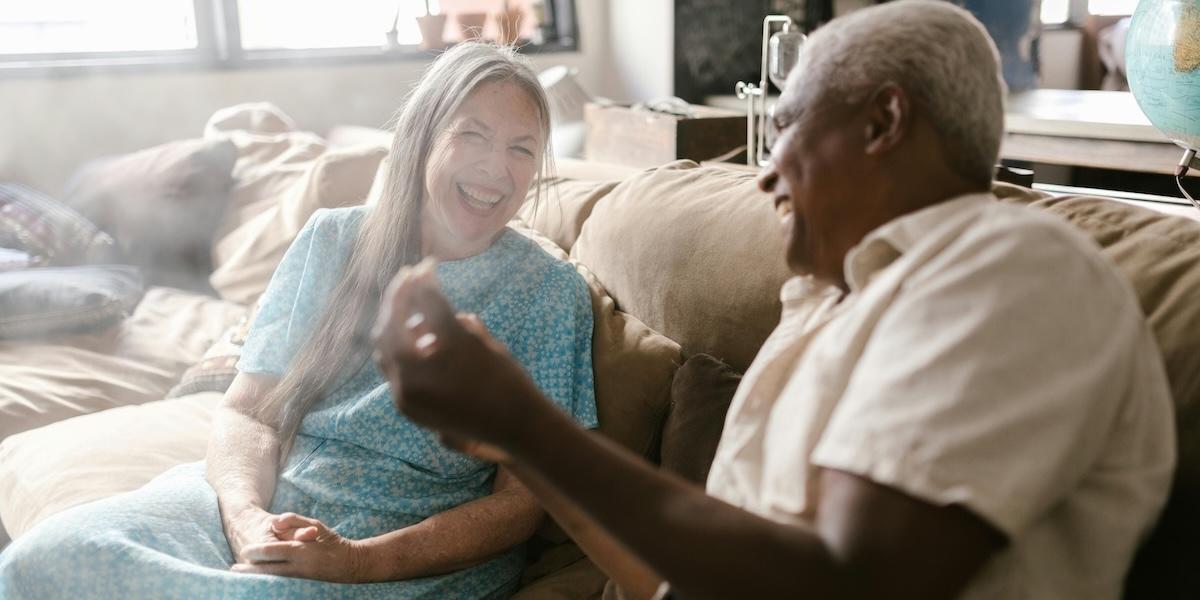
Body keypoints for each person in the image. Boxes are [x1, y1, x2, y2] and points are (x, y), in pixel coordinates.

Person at [372, 3, 1176, 599]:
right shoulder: (824, 308)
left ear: (882, 121)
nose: (763, 175)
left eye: (786, 126)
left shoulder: (1012, 270)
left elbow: (855, 582)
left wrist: (526, 424)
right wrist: (513, 445)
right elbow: (685, 582)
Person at [0, 42, 598, 599]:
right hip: (266, 502)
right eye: (473, 135)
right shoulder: (332, 240)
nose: (496, 169)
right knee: (43, 559)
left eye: (522, 149)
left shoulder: (548, 294)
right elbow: (249, 410)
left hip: (402, 547)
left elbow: (522, 504)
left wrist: (359, 561)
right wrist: (245, 519)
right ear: (423, 137)